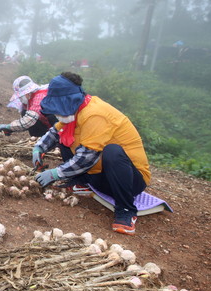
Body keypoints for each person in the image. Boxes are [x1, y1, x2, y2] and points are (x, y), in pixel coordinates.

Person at [32, 72, 151, 235]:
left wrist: (55, 173)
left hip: (131, 180)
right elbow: (55, 132)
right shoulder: (76, 110)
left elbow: (87, 157)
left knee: (112, 151)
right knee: (64, 137)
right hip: (101, 176)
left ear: (70, 102)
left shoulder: (95, 114)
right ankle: (81, 181)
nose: (58, 114)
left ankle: (126, 210)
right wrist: (39, 148)